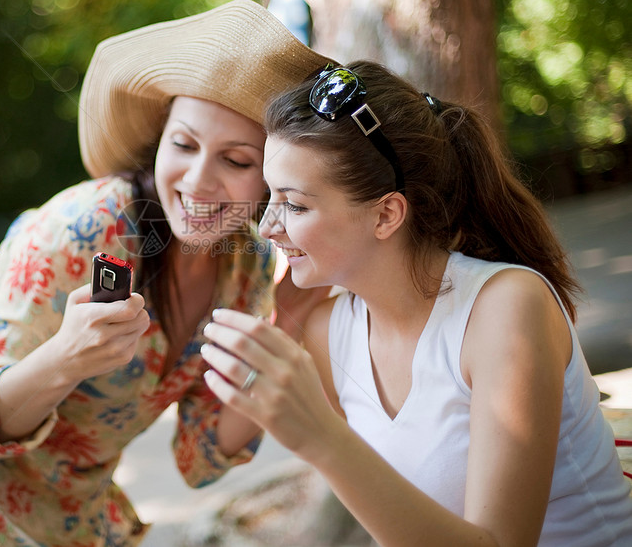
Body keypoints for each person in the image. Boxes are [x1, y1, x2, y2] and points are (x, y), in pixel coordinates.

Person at [0, 0, 332, 547]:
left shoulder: (248, 272)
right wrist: (67, 357)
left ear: (270, 178)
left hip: (67, 499)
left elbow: (201, 458)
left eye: (237, 160)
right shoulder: (91, 226)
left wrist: (284, 323)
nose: (198, 180)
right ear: (157, 144)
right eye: (184, 144)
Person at [201, 61, 632, 546]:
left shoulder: (506, 309)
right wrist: (284, 320)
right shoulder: (327, 332)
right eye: (270, 198)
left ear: (386, 213)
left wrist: (322, 439)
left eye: (295, 205)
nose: (267, 227)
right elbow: (215, 446)